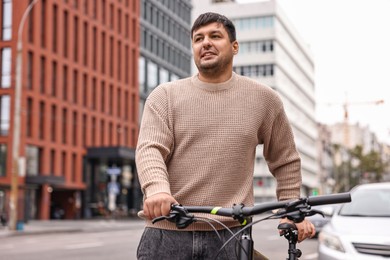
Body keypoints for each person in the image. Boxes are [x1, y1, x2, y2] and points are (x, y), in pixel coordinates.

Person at [135, 12, 315, 259]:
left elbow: (285, 160)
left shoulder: (264, 99)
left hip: (230, 234)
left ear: (235, 46)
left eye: (215, 36)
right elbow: (150, 149)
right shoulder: (164, 96)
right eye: (198, 39)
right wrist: (157, 190)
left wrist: (292, 209)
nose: (205, 43)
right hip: (167, 232)